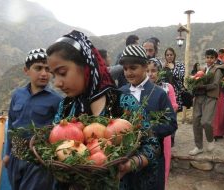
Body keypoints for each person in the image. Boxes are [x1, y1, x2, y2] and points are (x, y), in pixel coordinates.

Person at [46, 30, 161, 190]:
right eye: (54, 76)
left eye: (62, 73)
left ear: (86, 67)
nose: (57, 83)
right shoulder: (66, 107)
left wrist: (130, 164)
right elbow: (54, 147)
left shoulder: (123, 103)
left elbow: (152, 144)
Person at [119, 44, 178, 190]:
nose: (128, 73)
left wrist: (145, 130)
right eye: (125, 69)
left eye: (133, 68)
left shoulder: (159, 94)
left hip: (152, 161)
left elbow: (171, 124)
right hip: (125, 159)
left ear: (145, 66)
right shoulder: (119, 93)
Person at [3, 48, 62, 190]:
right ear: (26, 70)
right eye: (38, 68)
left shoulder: (56, 100)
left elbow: (59, 132)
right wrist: (7, 154)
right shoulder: (18, 95)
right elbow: (11, 124)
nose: (44, 73)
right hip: (15, 159)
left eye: (47, 69)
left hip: (38, 161)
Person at [147, 58, 178, 188]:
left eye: (153, 71)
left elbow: (174, 106)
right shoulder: (143, 89)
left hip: (162, 134)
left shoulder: (166, 87)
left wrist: (160, 114)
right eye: (147, 71)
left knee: (162, 161)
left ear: (159, 72)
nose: (150, 74)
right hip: (146, 133)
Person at [189, 49, 224, 156]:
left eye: (211, 57)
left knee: (206, 121)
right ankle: (198, 147)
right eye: (207, 57)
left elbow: (215, 85)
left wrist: (202, 86)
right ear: (205, 58)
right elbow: (197, 80)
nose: (209, 59)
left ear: (215, 59)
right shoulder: (203, 70)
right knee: (196, 122)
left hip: (210, 97)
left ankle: (210, 139)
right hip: (199, 97)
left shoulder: (218, 70)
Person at [164, 47, 185, 112]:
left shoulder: (180, 65)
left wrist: (173, 68)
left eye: (171, 55)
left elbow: (181, 76)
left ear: (174, 55)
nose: (169, 56)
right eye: (167, 55)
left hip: (176, 93)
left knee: (174, 112)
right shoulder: (163, 67)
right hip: (166, 93)